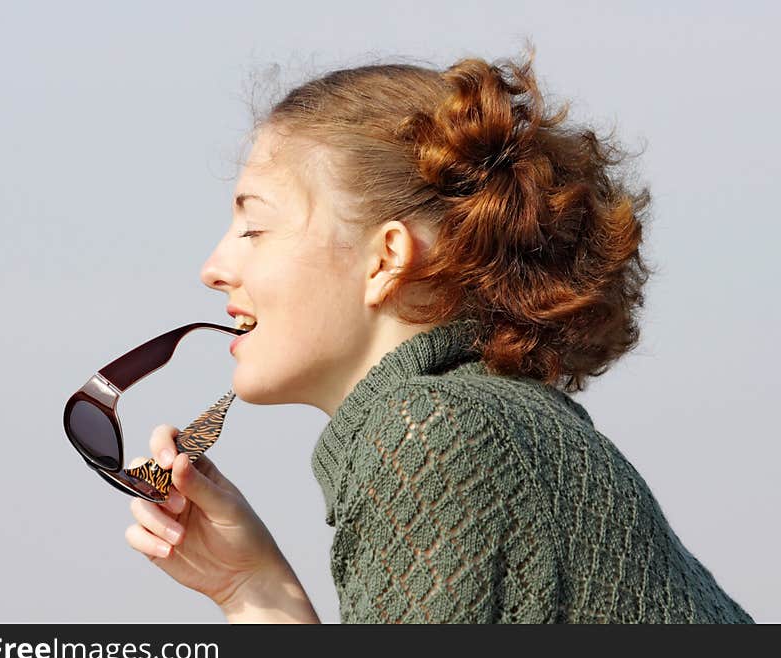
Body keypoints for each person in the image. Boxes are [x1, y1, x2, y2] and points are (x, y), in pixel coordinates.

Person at [123, 43, 755, 623]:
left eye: (253, 230)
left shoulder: (432, 433)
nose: (213, 269)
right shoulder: (483, 421)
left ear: (386, 259)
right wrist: (249, 586)